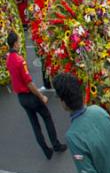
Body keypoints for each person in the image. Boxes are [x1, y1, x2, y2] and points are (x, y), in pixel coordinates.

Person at [5, 31, 66, 159]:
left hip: (21, 98)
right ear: (15, 43)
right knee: (47, 117)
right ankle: (56, 144)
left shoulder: (9, 58)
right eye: (19, 40)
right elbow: (29, 83)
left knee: (35, 124)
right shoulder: (20, 60)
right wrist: (41, 96)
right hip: (30, 96)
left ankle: (46, 150)